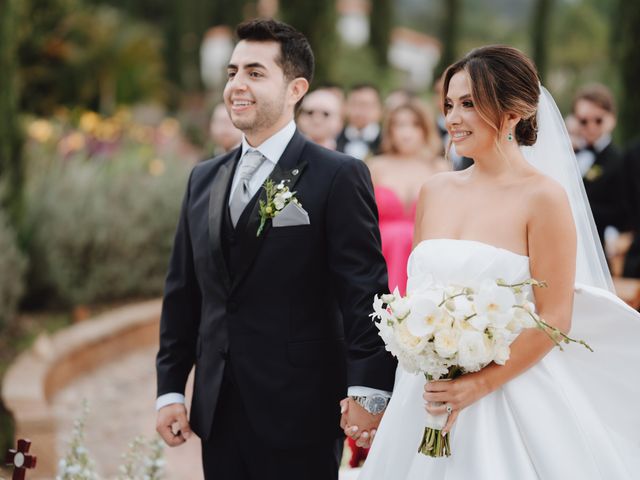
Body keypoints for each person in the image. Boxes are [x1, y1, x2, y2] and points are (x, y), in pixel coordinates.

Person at [350, 45, 640, 479]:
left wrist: (475, 385)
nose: (452, 118)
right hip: (424, 395)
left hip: (507, 396)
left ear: (513, 111)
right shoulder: (436, 190)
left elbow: (556, 317)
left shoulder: (543, 197)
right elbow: (417, 299)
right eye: (449, 104)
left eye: (469, 103)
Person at [155, 19, 397, 480]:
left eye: (255, 73)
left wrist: (368, 391)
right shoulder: (203, 178)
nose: (236, 86)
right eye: (231, 72)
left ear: (296, 89)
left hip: (301, 409)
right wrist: (170, 389)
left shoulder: (337, 175)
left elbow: (364, 291)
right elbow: (183, 291)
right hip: (218, 407)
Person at [368, 99, 448, 296]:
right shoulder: (375, 166)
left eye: (414, 124)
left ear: (425, 129)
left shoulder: (440, 168)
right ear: (390, 130)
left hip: (425, 259)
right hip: (380, 256)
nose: (406, 132)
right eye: (399, 124)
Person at [572, 84, 628, 247]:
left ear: (611, 119)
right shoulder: (567, 155)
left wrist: (580, 210)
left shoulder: (619, 161)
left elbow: (622, 214)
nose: (590, 126)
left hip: (598, 249)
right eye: (583, 121)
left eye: (598, 120)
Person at [336, 84, 383, 160]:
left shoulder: (386, 142)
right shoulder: (335, 138)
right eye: (354, 104)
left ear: (380, 110)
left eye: (366, 105)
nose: (360, 110)